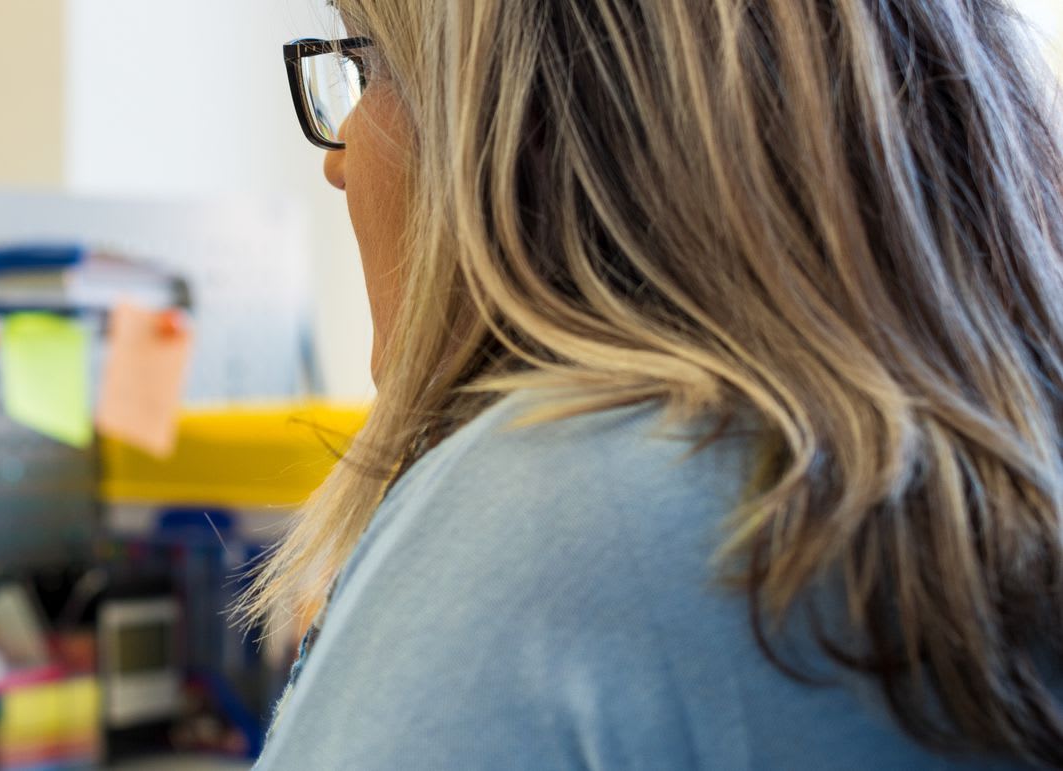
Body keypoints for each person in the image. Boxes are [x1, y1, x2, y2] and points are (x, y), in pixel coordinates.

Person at [251, 0, 1063, 767]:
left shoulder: (558, 495)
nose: (339, 156)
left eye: (376, 60)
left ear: (533, 119)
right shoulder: (1001, 462)